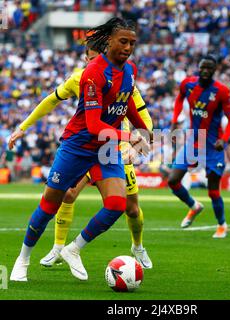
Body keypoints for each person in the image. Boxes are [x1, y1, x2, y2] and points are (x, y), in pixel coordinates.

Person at [10, 17, 152, 282]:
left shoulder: (130, 70)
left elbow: (126, 103)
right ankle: (24, 258)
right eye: (123, 41)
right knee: (50, 205)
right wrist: (128, 135)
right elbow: (94, 125)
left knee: (117, 204)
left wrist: (143, 129)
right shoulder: (92, 74)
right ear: (108, 40)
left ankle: (74, 249)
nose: (128, 47)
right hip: (78, 146)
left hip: (106, 149)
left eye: (132, 42)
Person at [168, 54, 230, 238]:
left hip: (213, 146)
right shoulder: (187, 84)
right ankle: (194, 206)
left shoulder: (221, 91)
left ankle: (222, 225)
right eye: (203, 67)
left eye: (209, 68)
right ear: (198, 68)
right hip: (193, 142)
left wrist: (225, 139)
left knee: (213, 190)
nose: (205, 71)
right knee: (173, 180)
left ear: (215, 70)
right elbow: (179, 99)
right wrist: (174, 121)